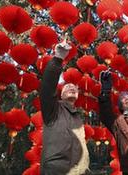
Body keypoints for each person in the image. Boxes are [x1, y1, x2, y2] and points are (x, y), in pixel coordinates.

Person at [40, 40, 90, 175]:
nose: (71, 87)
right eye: (67, 87)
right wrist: (58, 59)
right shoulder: (53, 110)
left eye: (74, 87)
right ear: (60, 95)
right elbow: (47, 88)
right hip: (56, 170)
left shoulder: (77, 116)